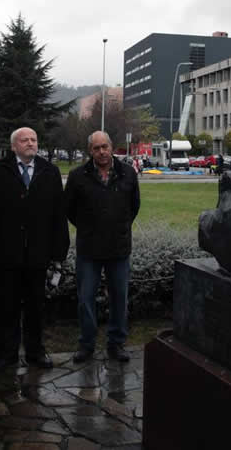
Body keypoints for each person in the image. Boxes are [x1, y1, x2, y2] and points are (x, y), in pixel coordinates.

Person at [0, 127, 70, 371]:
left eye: (34, 139)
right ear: (13, 146)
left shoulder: (49, 171)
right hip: (7, 254)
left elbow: (58, 214)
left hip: (38, 254)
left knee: (35, 307)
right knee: (6, 307)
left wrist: (58, 252)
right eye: (25, 140)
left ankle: (35, 352)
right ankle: (6, 354)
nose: (31, 143)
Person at [64, 131, 141, 364]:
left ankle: (116, 344)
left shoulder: (128, 173)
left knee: (119, 298)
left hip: (118, 248)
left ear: (112, 147)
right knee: (86, 299)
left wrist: (118, 226)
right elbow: (69, 210)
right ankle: (87, 344)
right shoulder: (78, 176)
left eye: (105, 147)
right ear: (90, 151)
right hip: (89, 249)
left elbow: (134, 207)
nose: (102, 152)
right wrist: (89, 228)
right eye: (96, 148)